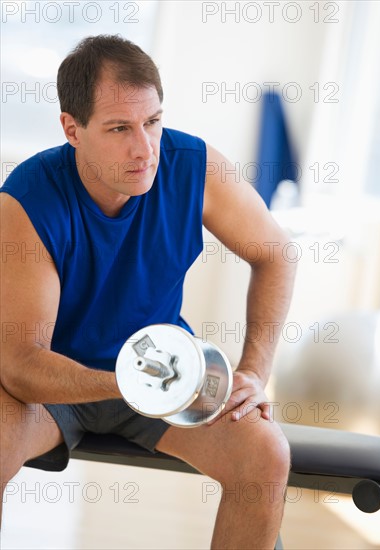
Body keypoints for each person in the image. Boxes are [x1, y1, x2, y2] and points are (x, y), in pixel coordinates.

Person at [0, 34, 296, 549]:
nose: (144, 148)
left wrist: (255, 369)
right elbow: (21, 365)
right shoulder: (26, 201)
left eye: (153, 122)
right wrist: (131, 383)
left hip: (163, 375)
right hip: (53, 388)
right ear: (72, 128)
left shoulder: (192, 167)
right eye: (119, 128)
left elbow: (276, 253)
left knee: (265, 454)